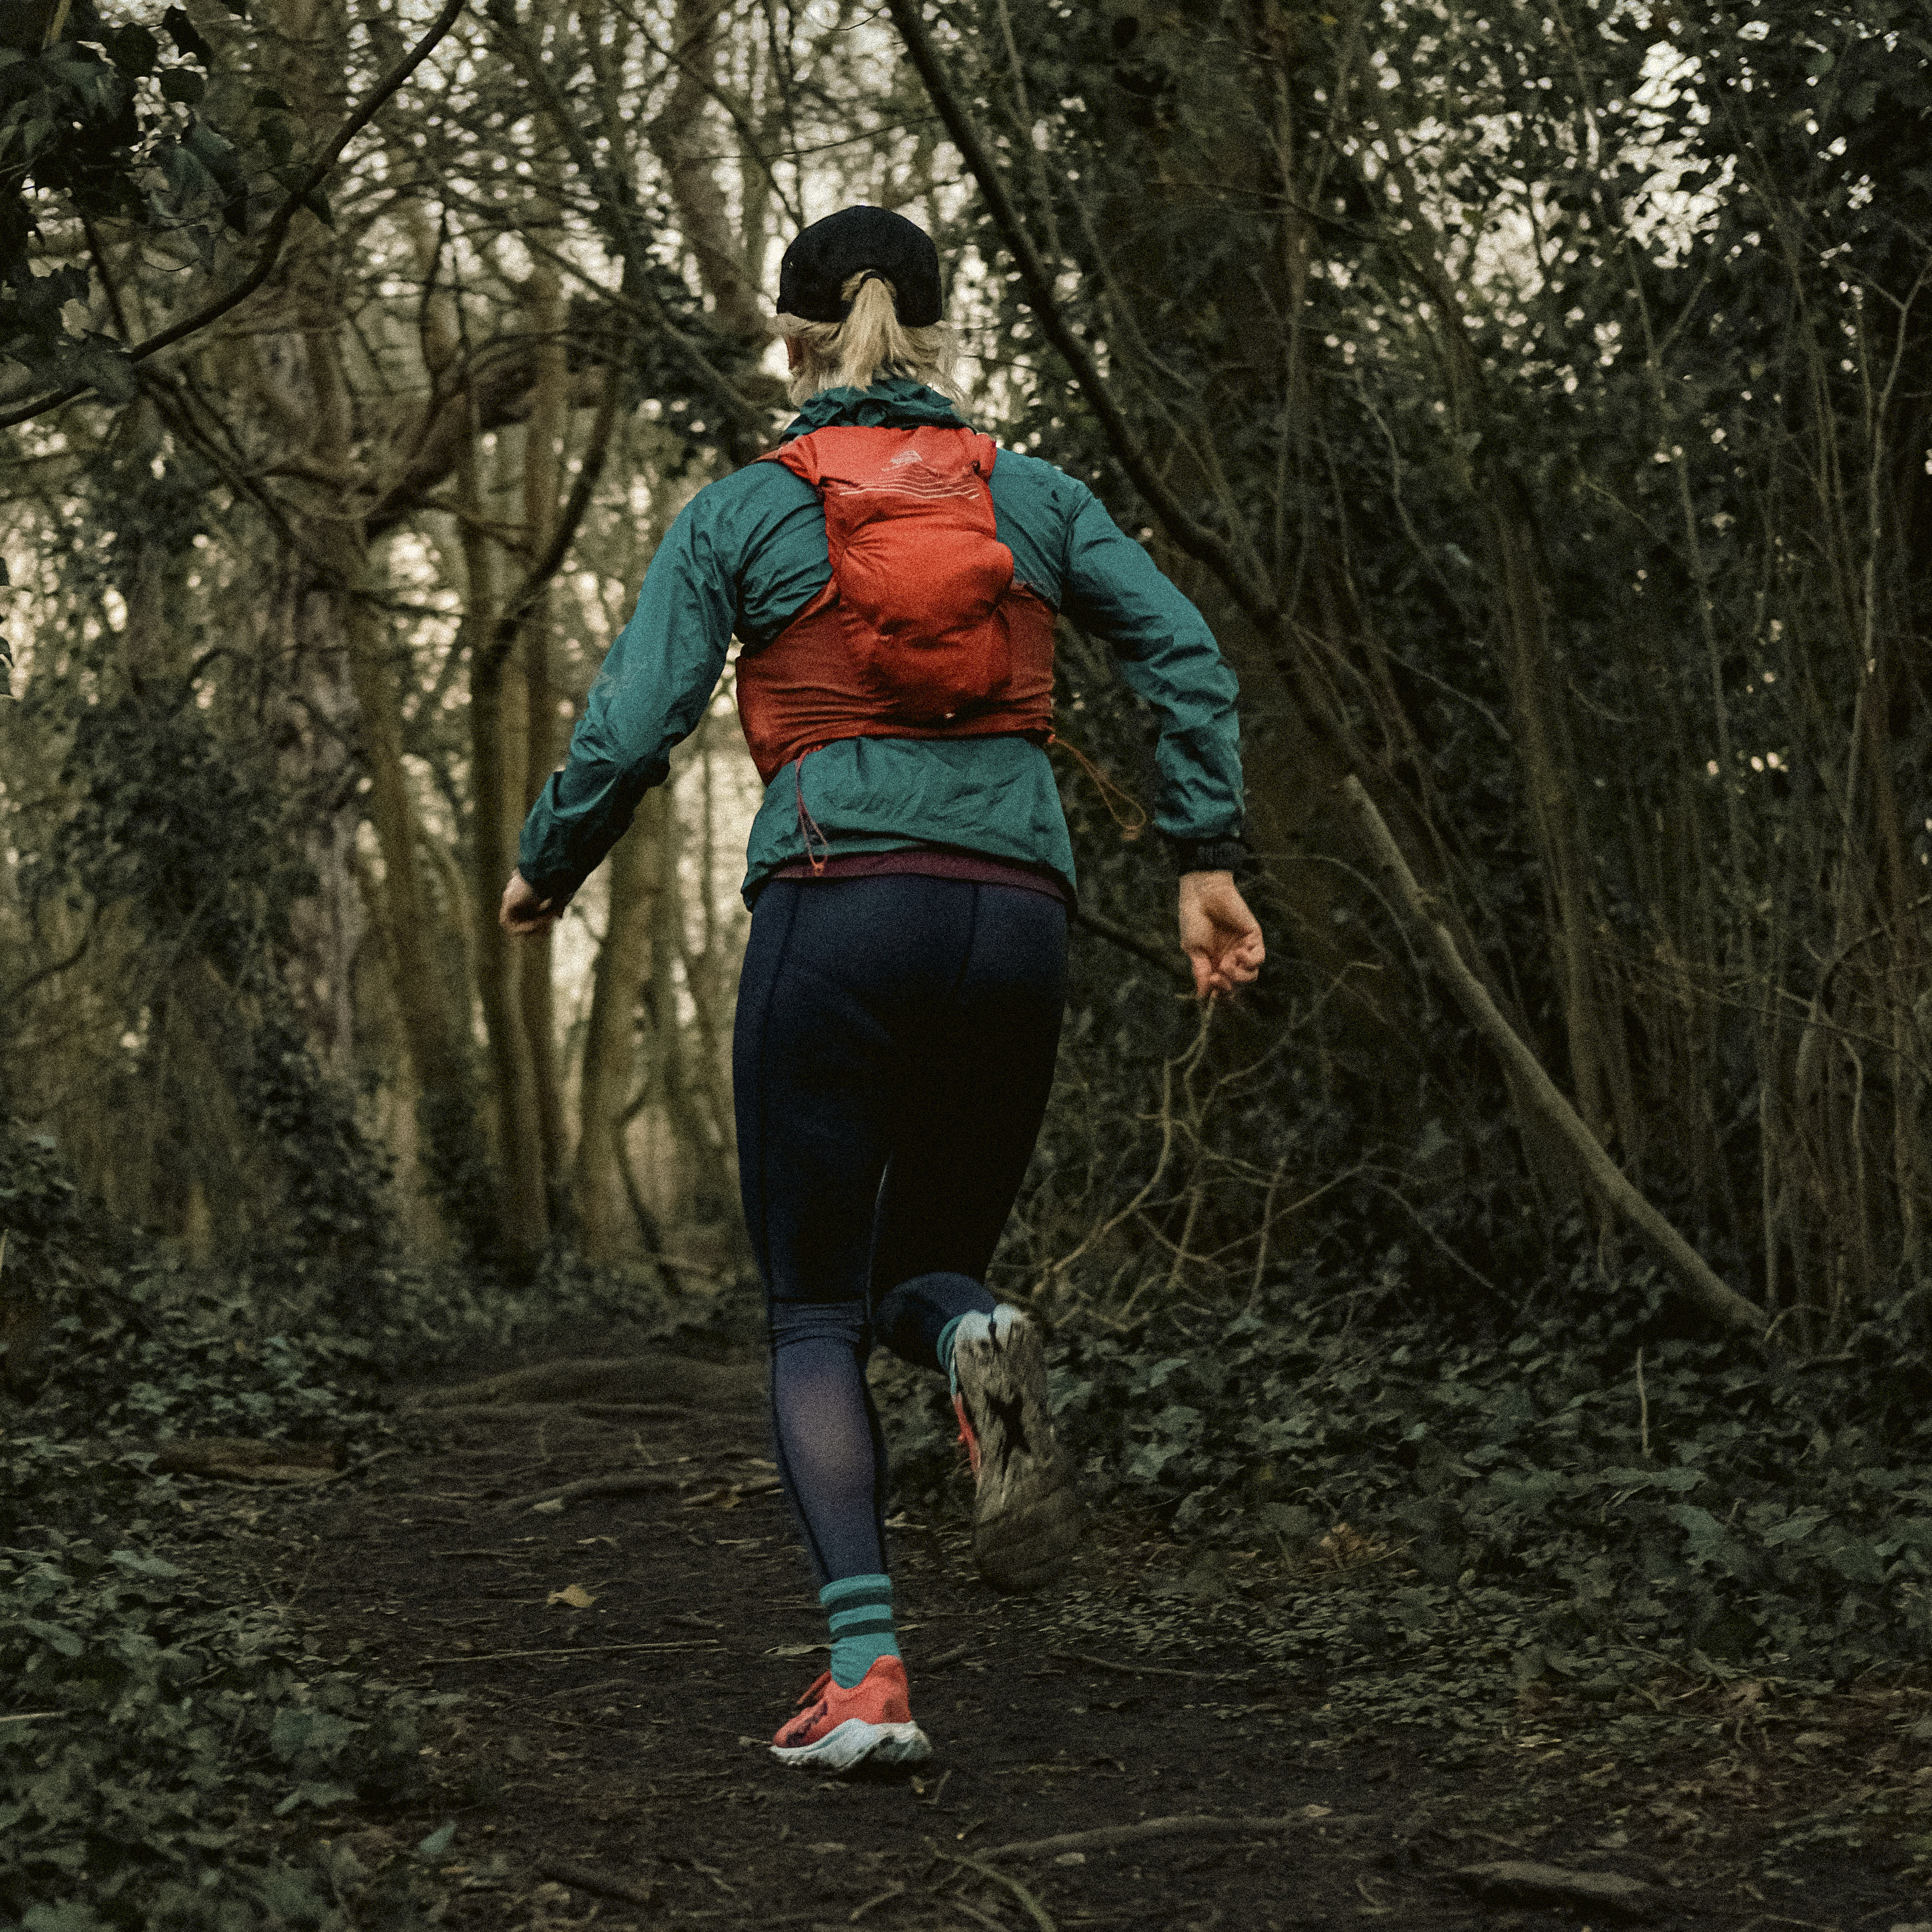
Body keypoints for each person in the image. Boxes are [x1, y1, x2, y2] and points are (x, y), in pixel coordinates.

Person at [500, 206, 1264, 1772]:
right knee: (932, 1265)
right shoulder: (1035, 499)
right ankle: (979, 1328)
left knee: (811, 1311)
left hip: (836, 906)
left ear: (792, 341)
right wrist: (1202, 858)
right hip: (1014, 918)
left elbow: (635, 718)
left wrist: (551, 859)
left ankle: (864, 1674)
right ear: (939, 332)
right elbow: (1182, 653)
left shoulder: (747, 512)